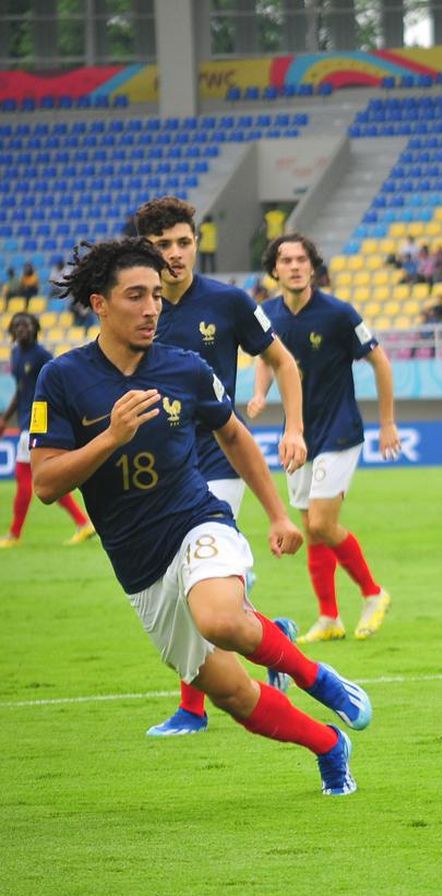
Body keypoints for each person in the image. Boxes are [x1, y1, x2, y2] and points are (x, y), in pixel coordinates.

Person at [31, 237, 371, 795]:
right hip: (139, 566)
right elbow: (46, 484)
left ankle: (322, 680)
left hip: (197, 521)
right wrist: (111, 438)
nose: (150, 309)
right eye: (135, 296)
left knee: (219, 618)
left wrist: (278, 514)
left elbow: (233, 436)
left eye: (156, 297)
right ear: (99, 304)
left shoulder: (184, 368)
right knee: (233, 695)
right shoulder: (62, 379)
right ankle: (329, 745)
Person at [134, 195, 308, 737]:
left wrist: (294, 427)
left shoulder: (229, 302)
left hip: (217, 460)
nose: (176, 253)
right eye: (163, 245)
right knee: (187, 589)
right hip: (161, 468)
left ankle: (192, 709)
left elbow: (281, 359)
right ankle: (267, 631)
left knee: (189, 581)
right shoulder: (136, 311)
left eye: (184, 242)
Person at [251, 233, 400, 643]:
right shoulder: (265, 314)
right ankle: (329, 617)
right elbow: (267, 356)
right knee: (309, 528)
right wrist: (261, 392)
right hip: (298, 434)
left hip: (340, 429)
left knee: (320, 522)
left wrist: (387, 422)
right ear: (275, 269)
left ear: (312, 267)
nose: (295, 266)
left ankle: (373, 593)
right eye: (286, 260)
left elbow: (380, 362)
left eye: (302, 259)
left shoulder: (338, 313)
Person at [0, 312, 95, 548]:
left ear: (35, 329)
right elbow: (21, 391)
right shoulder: (15, 354)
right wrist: (6, 418)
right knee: (48, 481)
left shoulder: (42, 356)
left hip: (36, 424)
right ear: (12, 330)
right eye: (18, 325)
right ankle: (83, 523)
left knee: (25, 478)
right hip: (23, 422)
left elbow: (53, 389)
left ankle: (14, 534)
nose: (23, 329)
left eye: (27, 325)